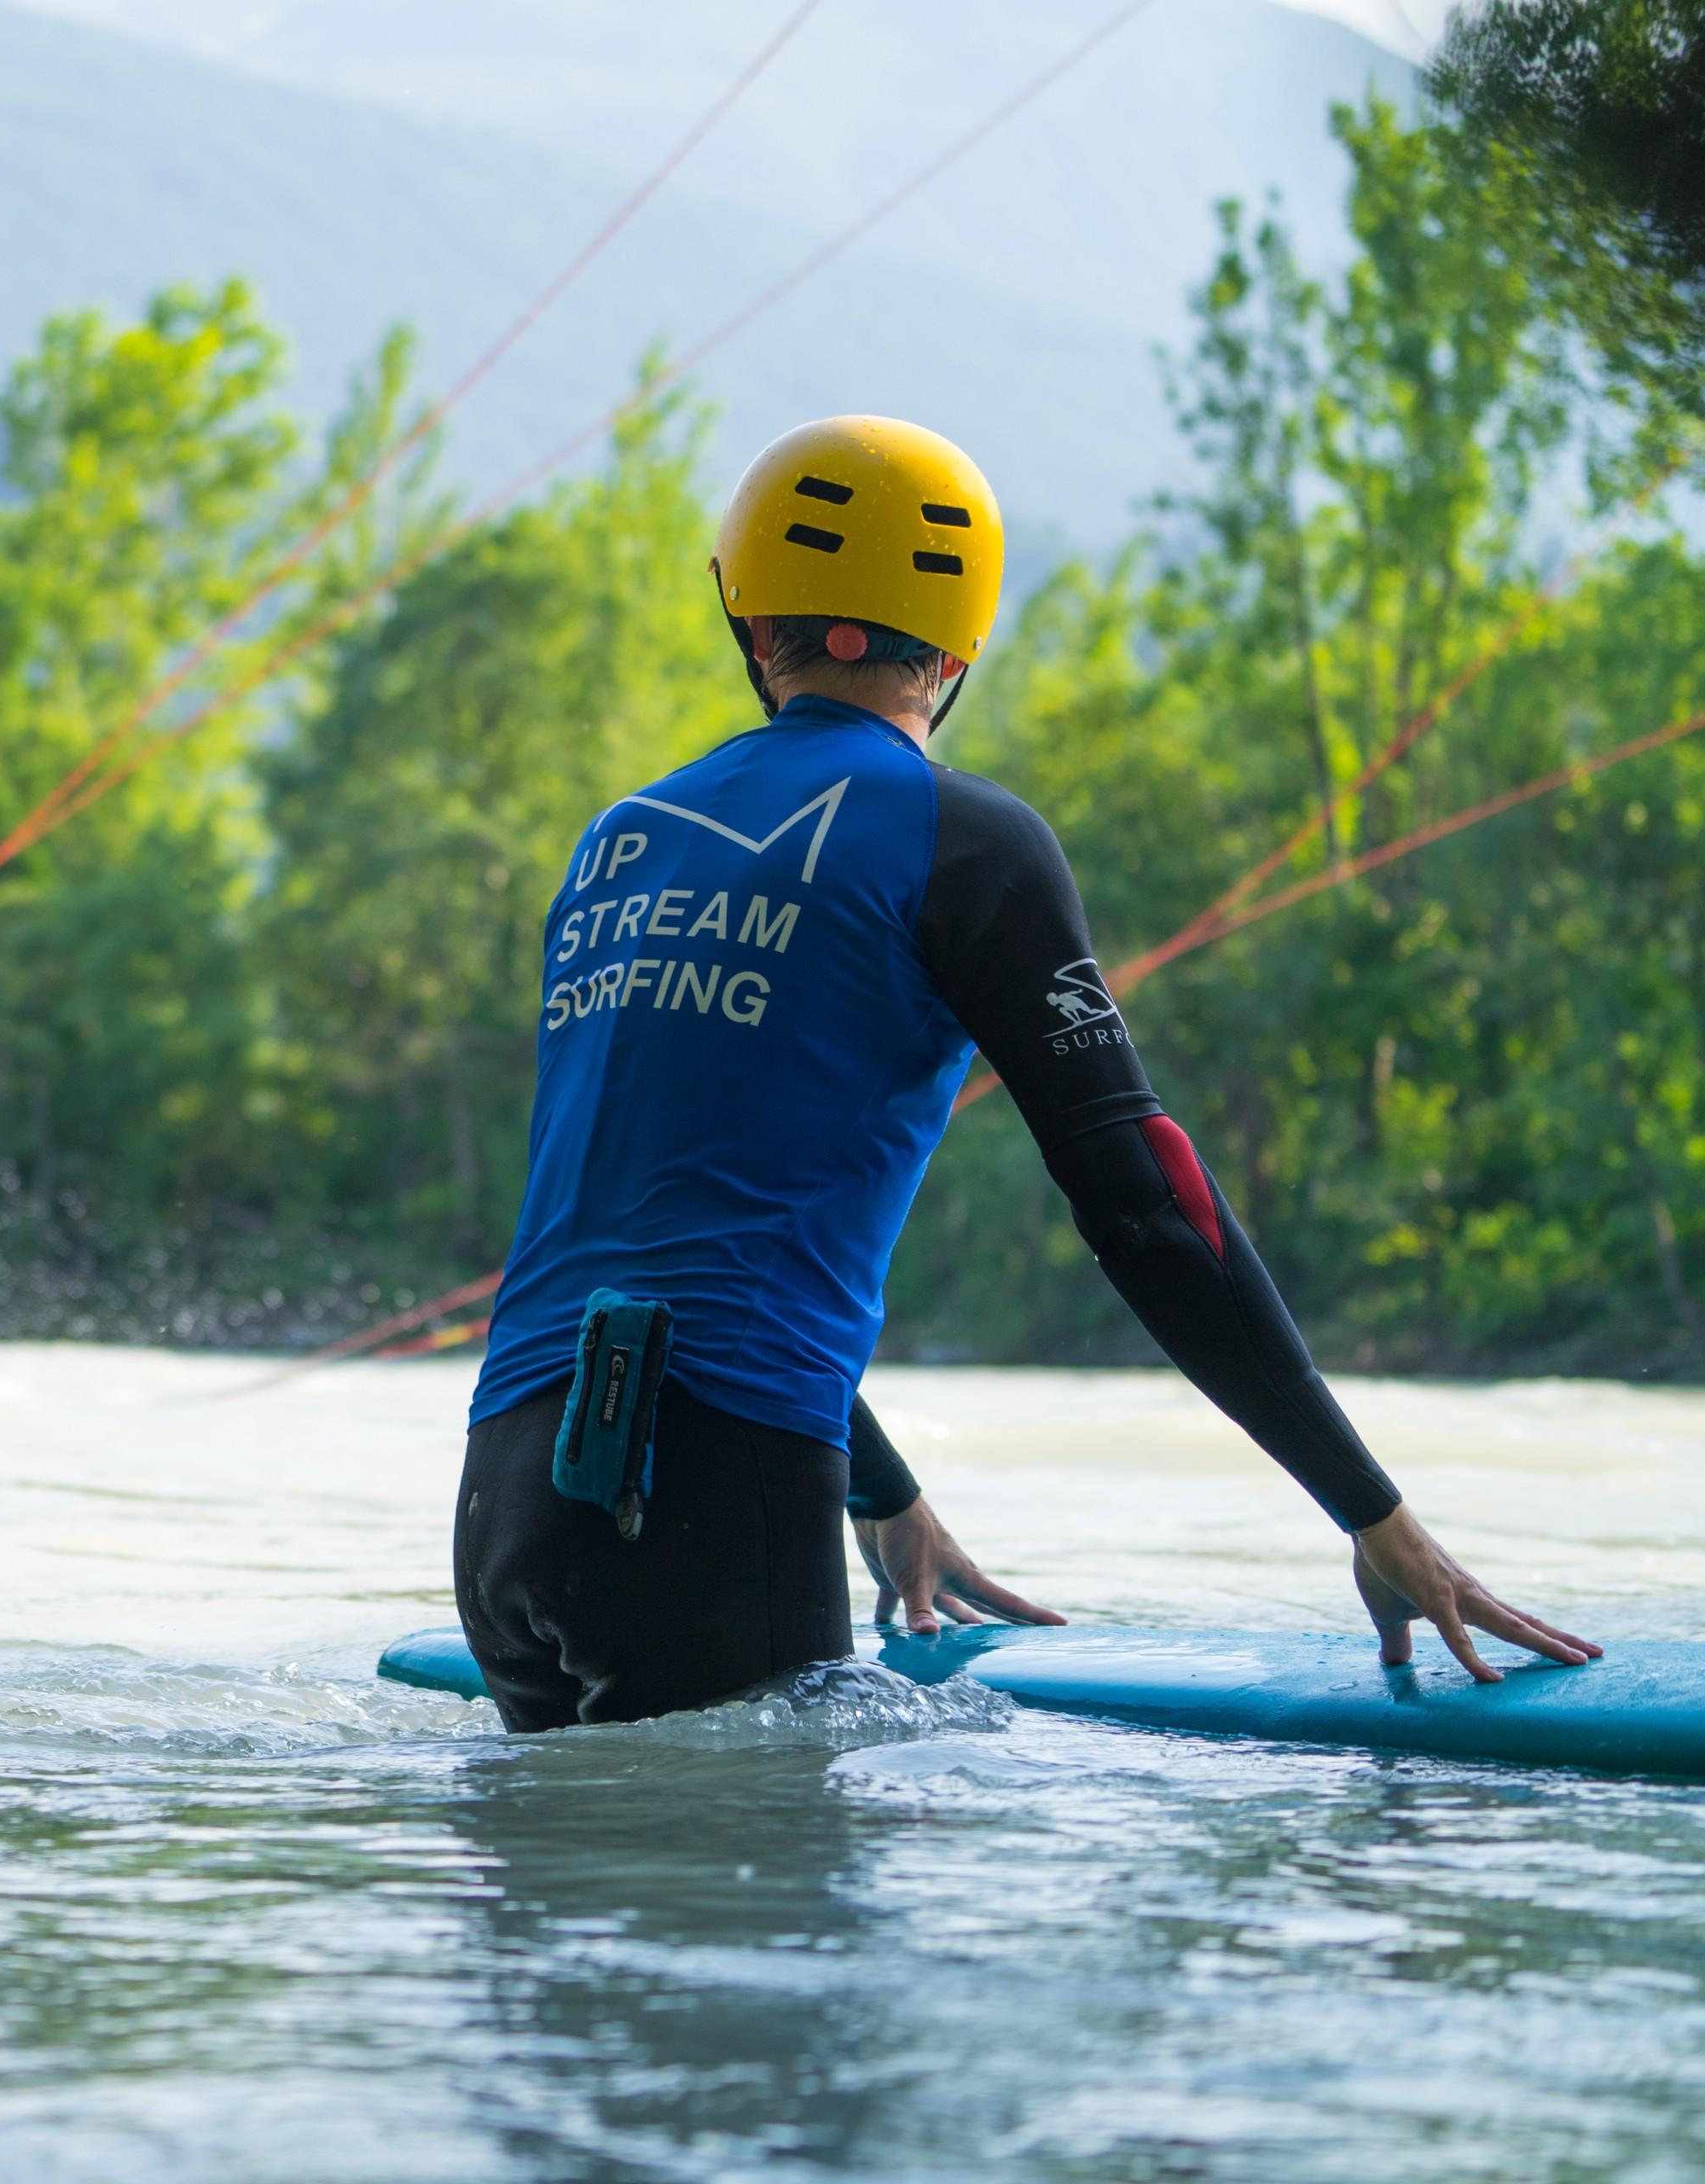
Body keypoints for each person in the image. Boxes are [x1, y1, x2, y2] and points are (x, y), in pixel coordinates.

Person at [454, 415, 1600, 1732]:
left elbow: (648, 1225)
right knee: (749, 1930)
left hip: (509, 1496)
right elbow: (1147, 1205)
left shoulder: (620, 844)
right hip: (710, 1499)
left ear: (748, 609)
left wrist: (876, 1492)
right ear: (958, 641)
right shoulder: (960, 836)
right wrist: (1372, 1512)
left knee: (567, 1926)